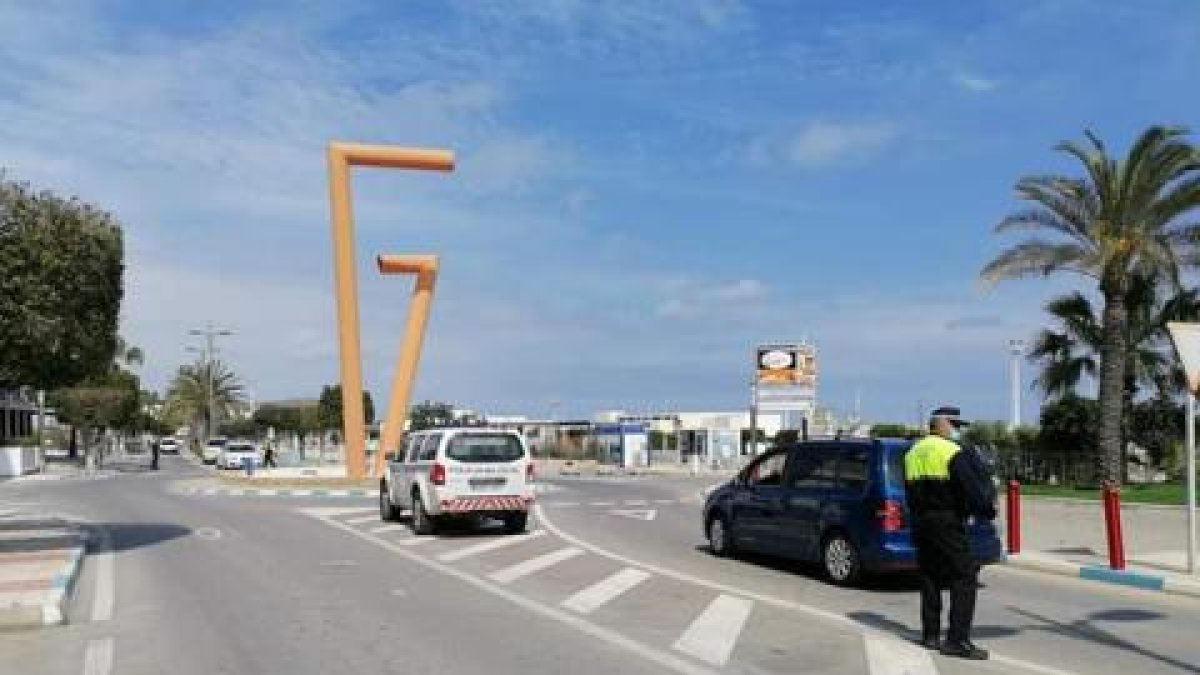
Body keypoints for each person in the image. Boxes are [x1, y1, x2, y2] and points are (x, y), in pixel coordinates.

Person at [904, 406, 996, 660]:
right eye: (954, 424)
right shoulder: (951, 451)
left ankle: (930, 635)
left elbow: (909, 490)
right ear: (941, 424)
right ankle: (957, 640)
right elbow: (972, 488)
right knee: (965, 576)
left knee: (930, 575)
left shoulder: (914, 451)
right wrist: (987, 511)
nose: (958, 430)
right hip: (947, 519)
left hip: (921, 520)